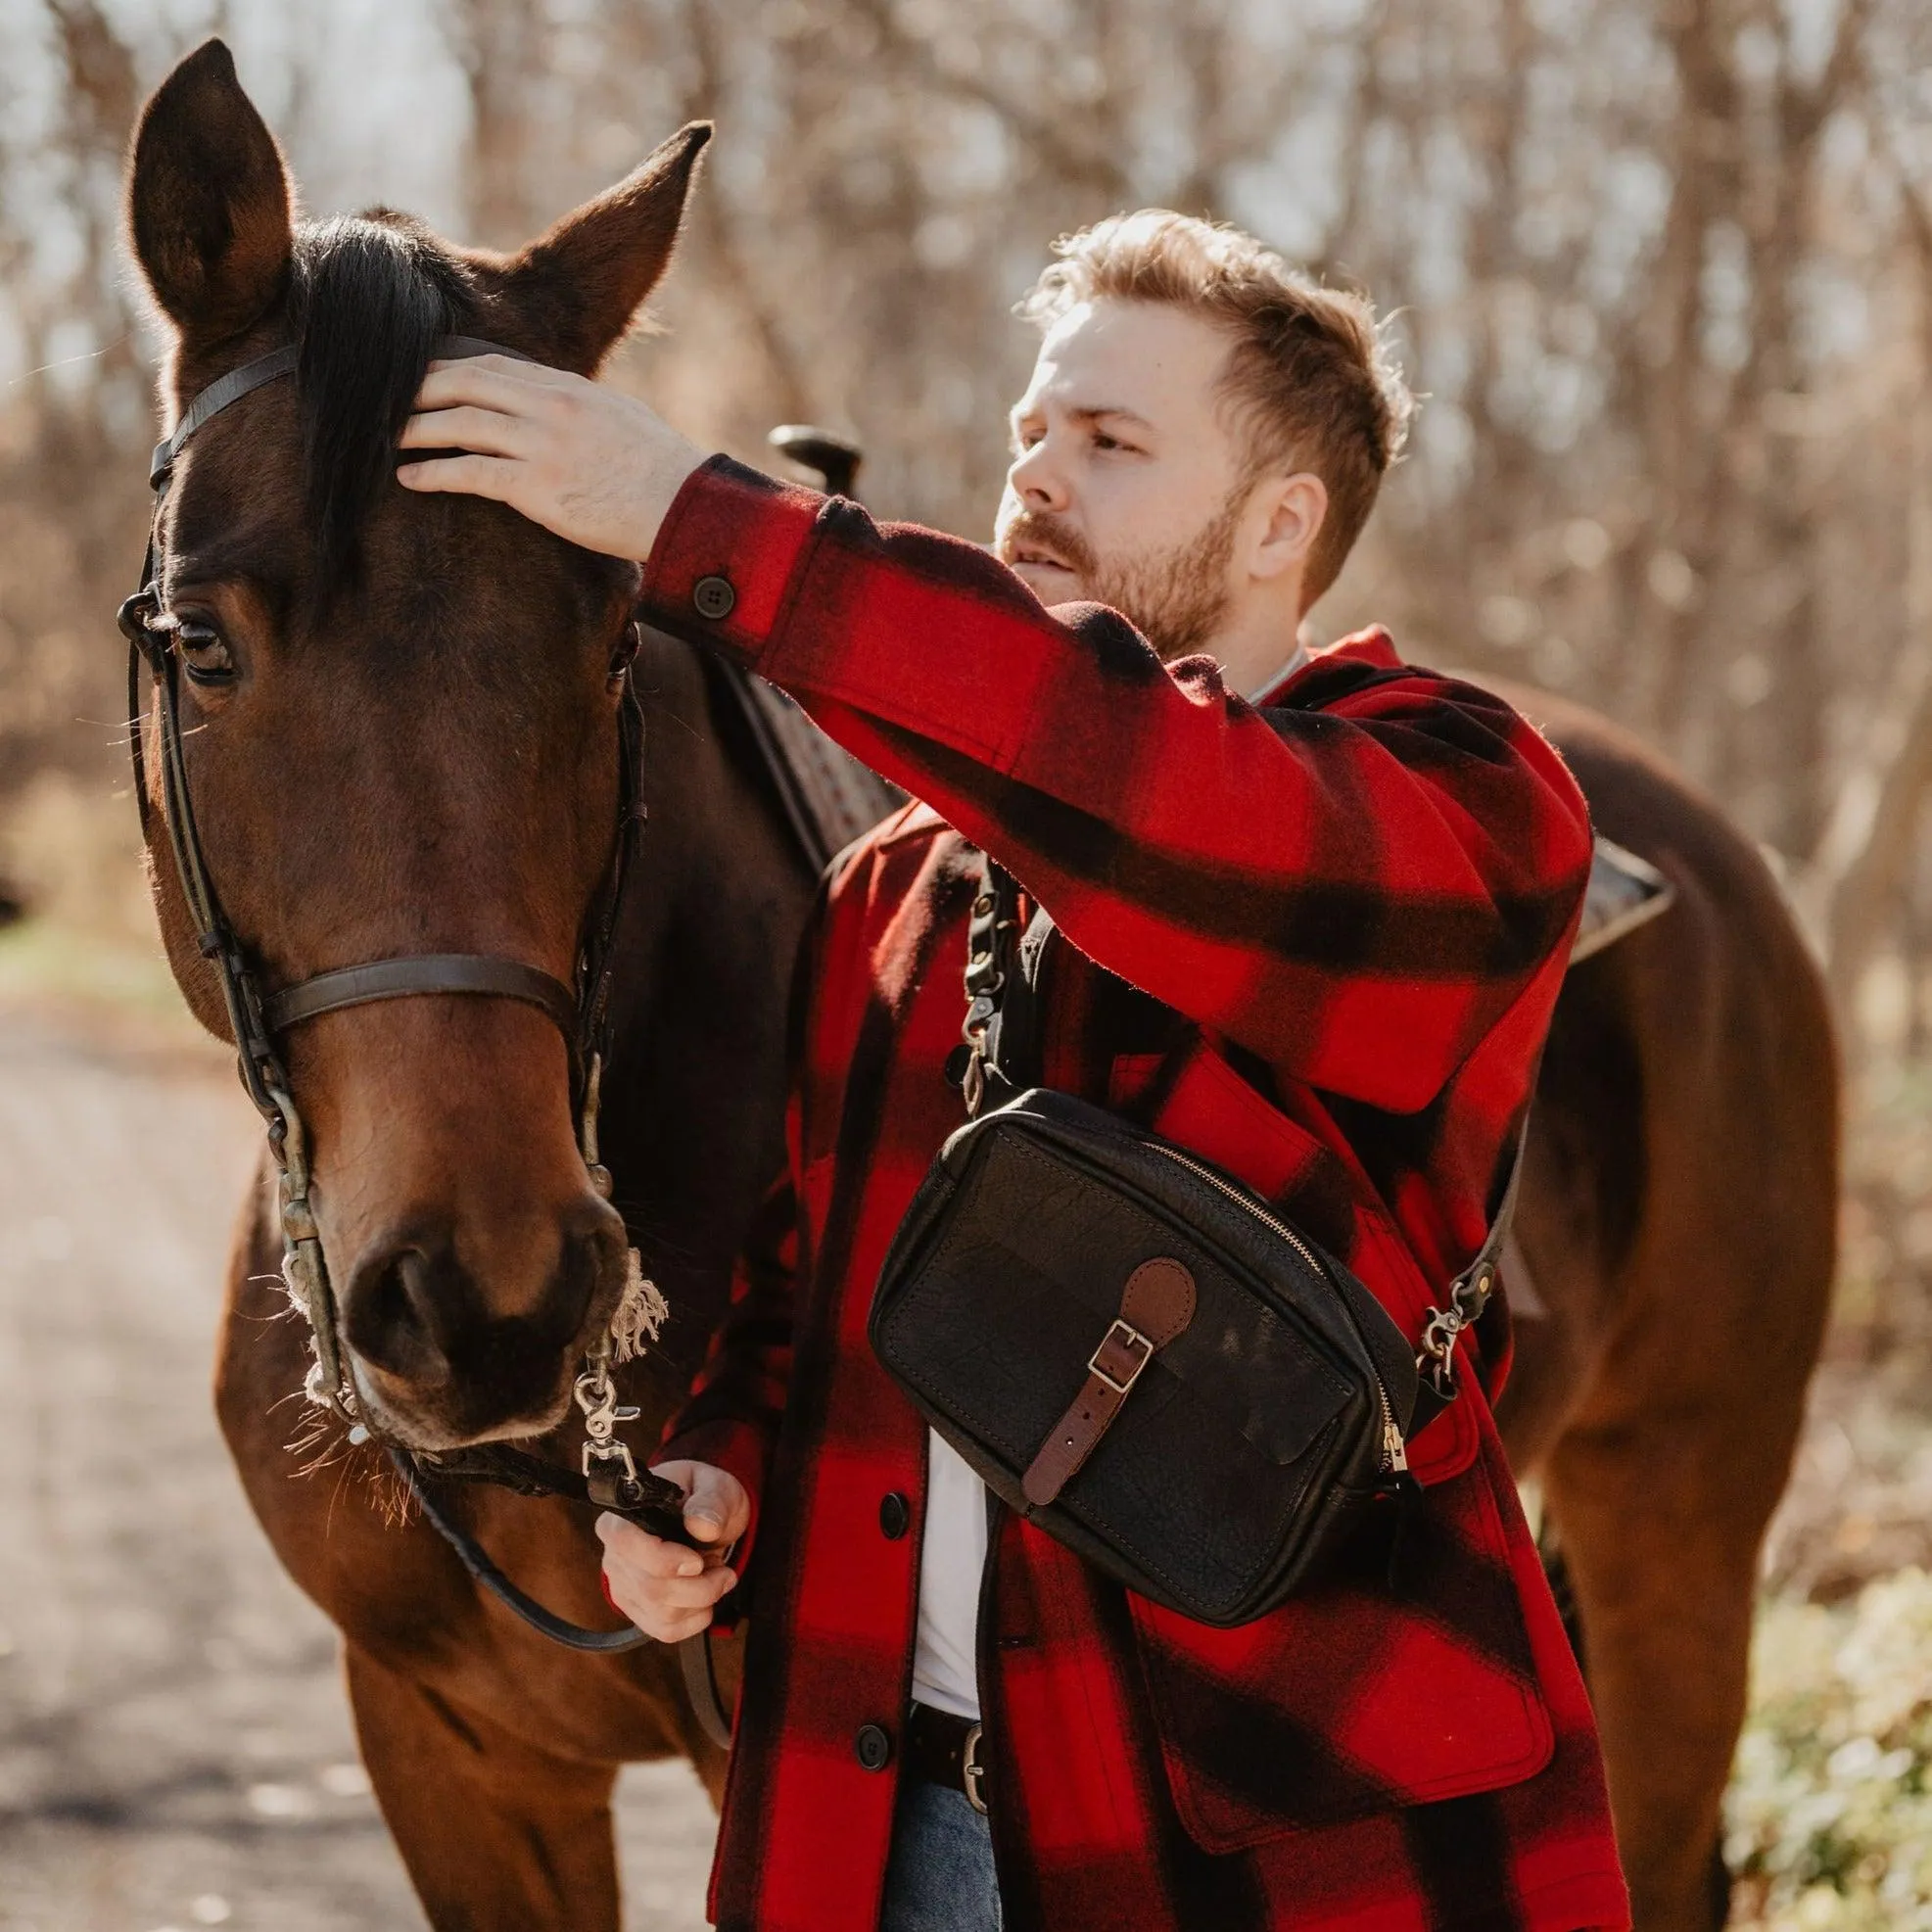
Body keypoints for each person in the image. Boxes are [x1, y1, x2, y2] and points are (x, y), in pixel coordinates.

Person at [399, 211, 1630, 1932]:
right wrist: (724, 1473)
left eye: (1111, 442)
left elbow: (1149, 779)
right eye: (1028, 433)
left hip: (1285, 1846)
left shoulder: (1468, 804)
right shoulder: (894, 885)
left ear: (1283, 523)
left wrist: (698, 519)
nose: (1035, 477)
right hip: (883, 1833)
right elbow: (804, 1286)